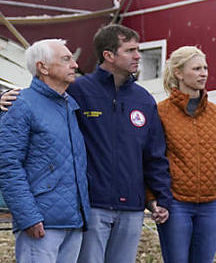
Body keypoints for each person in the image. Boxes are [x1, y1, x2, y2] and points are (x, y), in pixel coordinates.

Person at [2, 25, 175, 262]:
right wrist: (4, 98)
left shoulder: (139, 100)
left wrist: (158, 196)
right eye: (130, 50)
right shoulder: (74, 94)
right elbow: (10, 160)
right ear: (109, 55)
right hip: (76, 212)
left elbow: (153, 155)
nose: (75, 64)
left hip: (106, 213)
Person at [0, 40, 91, 262]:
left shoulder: (70, 105)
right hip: (41, 222)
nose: (75, 64)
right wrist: (28, 216)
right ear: (43, 67)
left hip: (73, 221)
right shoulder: (21, 104)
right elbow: (8, 164)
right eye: (66, 59)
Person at [155, 46, 216, 262]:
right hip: (175, 204)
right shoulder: (160, 113)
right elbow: (151, 160)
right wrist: (152, 199)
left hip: (211, 206)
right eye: (197, 68)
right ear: (179, 73)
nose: (204, 73)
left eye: (205, 68)